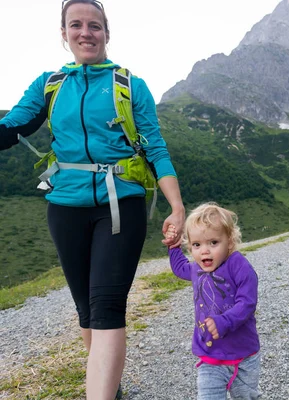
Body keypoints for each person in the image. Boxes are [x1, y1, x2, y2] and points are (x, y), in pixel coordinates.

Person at [0, 1, 185, 399]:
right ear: (64, 34)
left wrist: (177, 207)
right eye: (76, 25)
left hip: (121, 206)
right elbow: (12, 126)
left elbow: (155, 149)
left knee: (106, 306)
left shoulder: (129, 85)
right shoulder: (50, 85)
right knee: (86, 310)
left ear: (106, 33)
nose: (86, 32)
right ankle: (109, 388)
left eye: (95, 26)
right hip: (65, 208)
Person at [165, 202, 260, 400]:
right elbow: (180, 267)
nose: (204, 251)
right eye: (197, 245)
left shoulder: (239, 266)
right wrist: (174, 247)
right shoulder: (196, 268)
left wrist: (225, 321)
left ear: (230, 241)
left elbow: (247, 303)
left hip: (243, 355)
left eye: (213, 243)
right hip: (210, 355)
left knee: (246, 397)